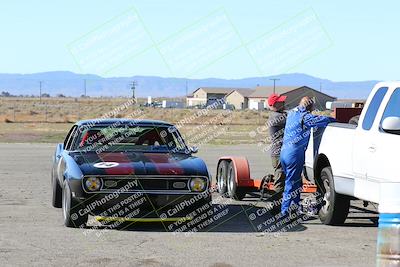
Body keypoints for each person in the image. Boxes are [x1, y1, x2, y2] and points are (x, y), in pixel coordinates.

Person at [280, 96, 336, 216]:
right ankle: (284, 212)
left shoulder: (292, 113)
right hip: (294, 154)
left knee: (295, 183)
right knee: (291, 184)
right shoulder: (305, 117)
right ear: (310, 107)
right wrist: (334, 119)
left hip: (284, 152)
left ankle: (293, 209)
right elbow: (321, 120)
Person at [266, 93, 287, 205]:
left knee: (283, 178)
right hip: (279, 153)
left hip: (281, 152)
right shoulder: (277, 117)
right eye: (281, 102)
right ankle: (276, 206)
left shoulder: (280, 115)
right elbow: (294, 120)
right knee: (280, 179)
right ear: (274, 104)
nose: (283, 103)